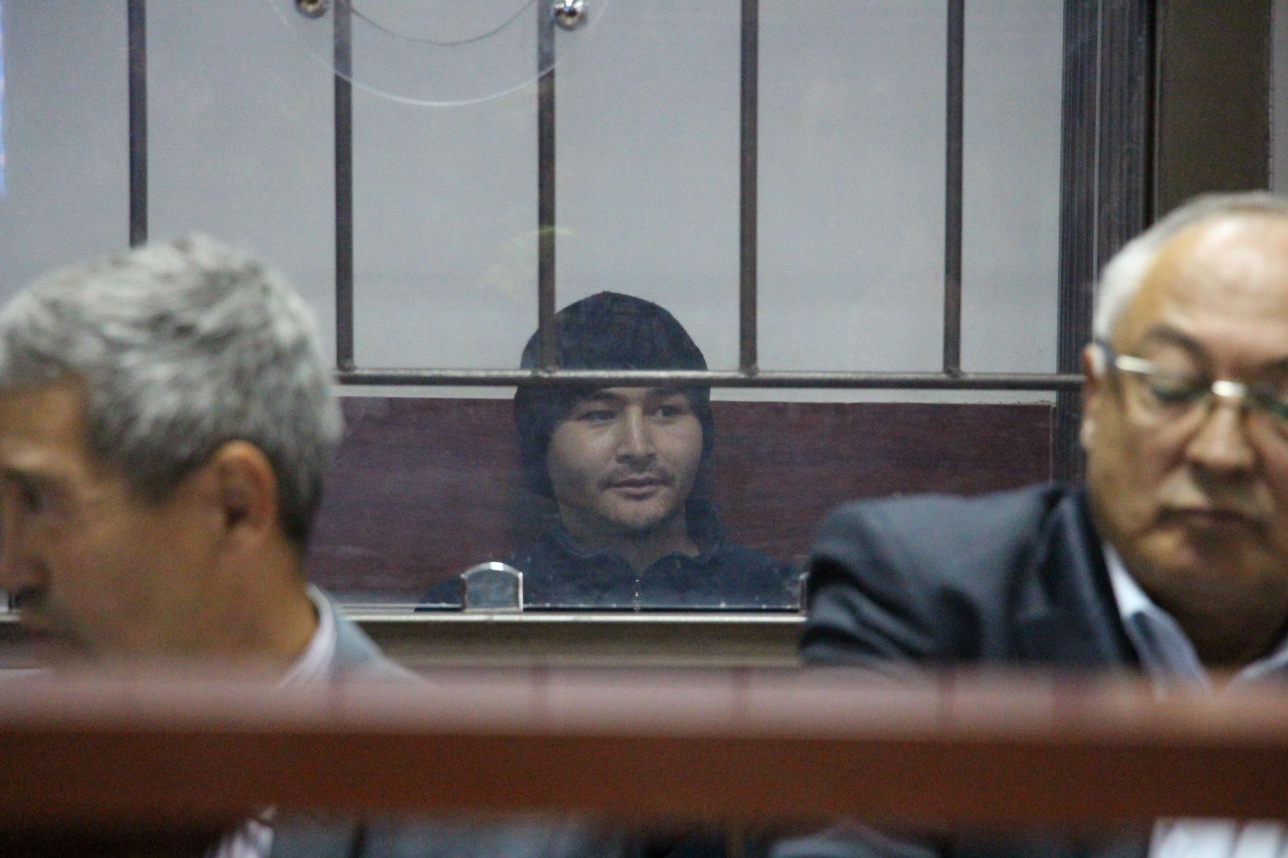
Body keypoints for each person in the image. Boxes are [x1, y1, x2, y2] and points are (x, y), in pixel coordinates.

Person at [0, 237, 618, 858]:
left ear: (235, 507)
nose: (11, 570)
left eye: (41, 502)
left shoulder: (504, 824)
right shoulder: (28, 784)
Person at [778, 192, 1288, 858]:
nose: (1221, 453)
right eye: (1171, 387)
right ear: (1097, 399)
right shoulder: (928, 597)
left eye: (1280, 400)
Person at [424, 291, 799, 609]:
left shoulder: (779, 600)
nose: (638, 448)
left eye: (666, 412)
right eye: (599, 415)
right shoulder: (470, 608)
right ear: (541, 443)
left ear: (705, 431)